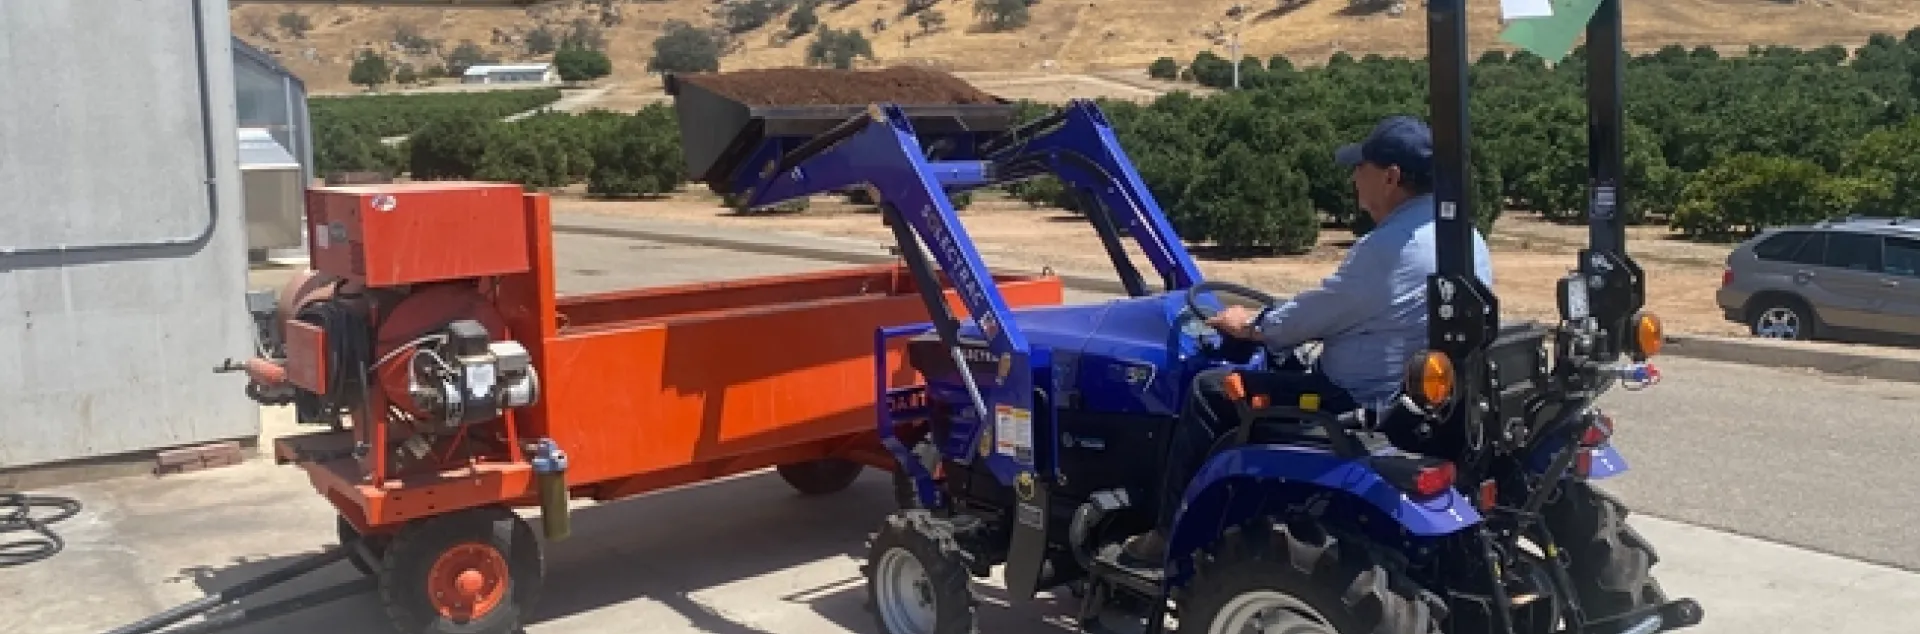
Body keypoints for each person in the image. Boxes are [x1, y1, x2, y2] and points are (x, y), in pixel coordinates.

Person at [1118, 115, 1496, 566]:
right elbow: (1344, 309)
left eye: (1362, 166)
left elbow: (1312, 315)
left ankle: (1166, 534)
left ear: (1391, 177)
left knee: (1208, 391)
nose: (1354, 176)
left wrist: (1250, 326)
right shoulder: (1461, 235)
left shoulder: (1388, 247)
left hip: (1355, 400)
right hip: (1414, 399)